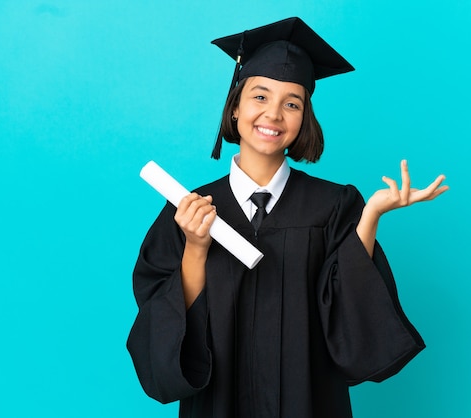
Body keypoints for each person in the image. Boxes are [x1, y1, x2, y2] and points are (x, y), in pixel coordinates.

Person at [127, 17, 448, 418]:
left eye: (291, 103)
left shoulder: (335, 205)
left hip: (309, 403)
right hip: (218, 405)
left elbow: (348, 314)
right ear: (235, 106)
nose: (273, 114)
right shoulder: (189, 209)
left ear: (304, 119)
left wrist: (370, 217)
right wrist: (195, 247)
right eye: (260, 97)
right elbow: (162, 324)